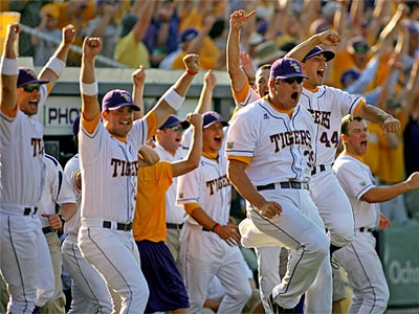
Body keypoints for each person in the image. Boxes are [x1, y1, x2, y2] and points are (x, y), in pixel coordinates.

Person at [77, 36, 199, 313]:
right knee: (137, 292)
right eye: (119, 111)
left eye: (130, 111)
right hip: (99, 230)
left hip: (125, 234)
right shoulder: (95, 137)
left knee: (122, 302)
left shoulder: (133, 137)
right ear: (105, 115)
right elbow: (88, 97)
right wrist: (88, 60)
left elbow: (166, 107)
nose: (126, 116)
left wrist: (189, 75)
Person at [226, 57, 332, 313]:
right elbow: (234, 171)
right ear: (273, 84)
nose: (296, 86)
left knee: (323, 267)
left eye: (299, 81)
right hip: (270, 196)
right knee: (314, 244)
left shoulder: (304, 116)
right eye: (289, 81)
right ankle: (281, 301)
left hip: (302, 193)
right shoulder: (250, 116)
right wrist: (260, 204)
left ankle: (291, 303)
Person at [285, 30, 400, 256]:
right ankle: (301, 273)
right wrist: (317, 39)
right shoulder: (292, 92)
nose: (323, 64)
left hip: (325, 175)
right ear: (302, 66)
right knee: (301, 242)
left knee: (345, 232)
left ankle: (323, 256)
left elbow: (363, 108)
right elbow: (286, 62)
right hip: (297, 174)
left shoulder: (334, 95)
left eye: (324, 60)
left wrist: (384, 117)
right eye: (316, 59)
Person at [0, 22, 75, 314]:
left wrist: (66, 45)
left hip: (32, 220)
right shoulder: (9, 119)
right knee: (23, 297)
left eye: (36, 89)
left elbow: (50, 76)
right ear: (15, 93)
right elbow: (7, 83)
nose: (35, 93)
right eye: (27, 89)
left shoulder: (32, 115)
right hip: (12, 217)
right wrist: (10, 42)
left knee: (46, 289)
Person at [332, 115, 419, 313]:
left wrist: (372, 215)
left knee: (364, 295)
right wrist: (406, 185)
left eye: (364, 130)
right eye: (356, 131)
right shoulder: (346, 164)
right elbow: (369, 195)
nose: (363, 134)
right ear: (344, 139)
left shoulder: (356, 163)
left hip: (357, 234)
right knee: (378, 295)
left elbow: (355, 200)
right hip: (353, 238)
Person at [176, 111, 252, 313]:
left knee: (242, 291)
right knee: (193, 301)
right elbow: (189, 206)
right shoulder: (192, 164)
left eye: (220, 127)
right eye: (212, 128)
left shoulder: (223, 160)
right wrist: (217, 227)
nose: (218, 131)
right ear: (199, 134)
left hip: (222, 235)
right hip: (199, 238)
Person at [133, 112, 203, 313]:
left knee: (142, 304)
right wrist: (198, 128)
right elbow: (192, 163)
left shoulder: (121, 169)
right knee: (180, 303)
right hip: (152, 245)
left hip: (129, 243)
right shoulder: (153, 170)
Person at [62, 116, 113, 314]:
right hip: (78, 245)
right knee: (107, 305)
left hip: (99, 244)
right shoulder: (75, 165)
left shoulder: (105, 160)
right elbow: (82, 181)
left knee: (81, 308)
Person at [35, 154, 77, 314]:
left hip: (45, 235)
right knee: (7, 296)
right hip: (6, 238)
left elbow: (69, 202)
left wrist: (60, 217)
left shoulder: (48, 163)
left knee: (51, 299)